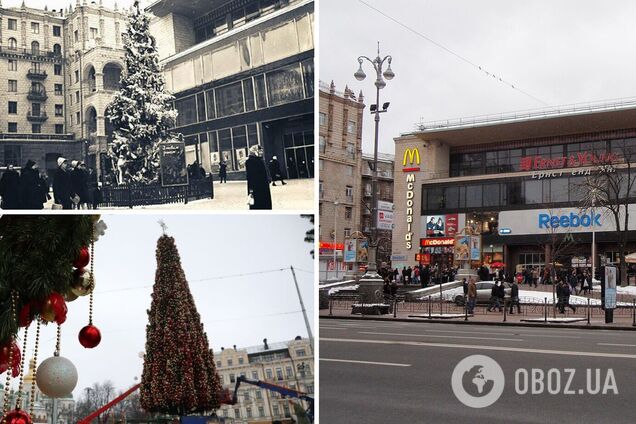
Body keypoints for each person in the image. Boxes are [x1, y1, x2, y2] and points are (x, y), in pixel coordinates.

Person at [245, 145, 272, 210]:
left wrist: (268, 178)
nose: (261, 153)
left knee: (264, 204)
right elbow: (250, 178)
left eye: (261, 151)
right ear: (255, 151)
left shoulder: (260, 160)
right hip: (256, 189)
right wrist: (251, 191)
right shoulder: (250, 161)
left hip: (263, 187)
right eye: (260, 151)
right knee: (258, 205)